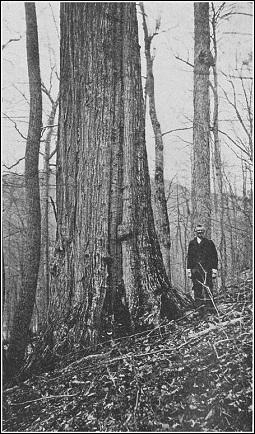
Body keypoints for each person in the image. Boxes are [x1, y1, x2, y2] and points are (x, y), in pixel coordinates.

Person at [187, 224, 218, 313]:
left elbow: (214, 257)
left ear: (204, 232)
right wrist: (189, 270)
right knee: (197, 288)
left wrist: (214, 270)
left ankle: (210, 308)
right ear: (195, 232)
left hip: (207, 270)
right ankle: (198, 308)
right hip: (195, 270)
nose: (200, 232)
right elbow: (189, 257)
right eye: (198, 231)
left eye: (201, 231)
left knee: (208, 287)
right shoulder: (192, 243)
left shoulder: (209, 243)